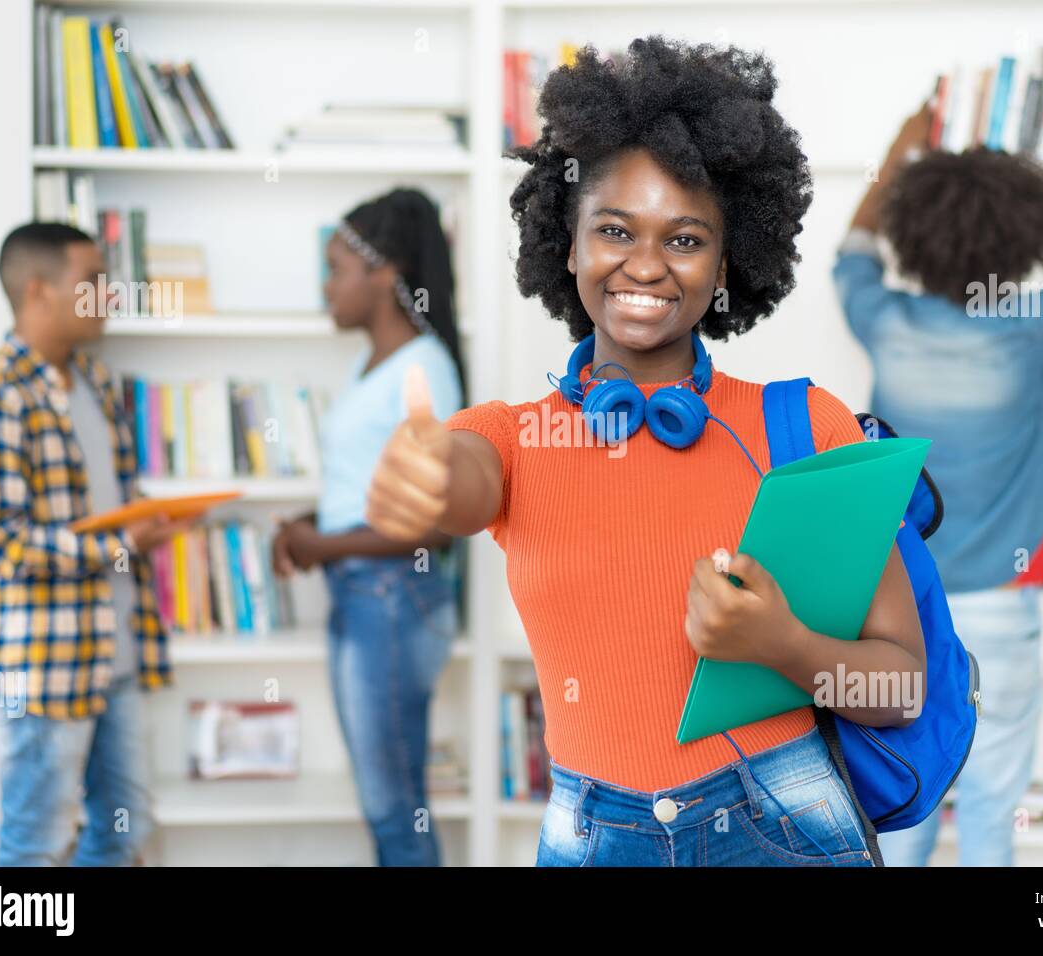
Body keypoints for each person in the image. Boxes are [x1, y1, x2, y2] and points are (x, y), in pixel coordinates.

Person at [364, 37, 927, 867]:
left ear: (727, 260)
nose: (645, 266)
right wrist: (425, 476)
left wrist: (784, 646)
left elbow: (899, 688)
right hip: (591, 836)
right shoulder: (515, 436)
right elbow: (462, 481)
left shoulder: (803, 426)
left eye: (686, 239)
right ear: (567, 241)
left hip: (783, 822)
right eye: (615, 230)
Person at [833, 98, 1043, 866]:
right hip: (999, 605)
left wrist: (897, 144)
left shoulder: (884, 322)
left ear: (914, 234)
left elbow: (851, 250)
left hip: (900, 613)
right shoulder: (1028, 329)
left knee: (908, 799)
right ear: (1018, 241)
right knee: (992, 811)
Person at [0, 222, 190, 865]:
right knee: (35, 846)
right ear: (39, 293)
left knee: (123, 834)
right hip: (42, 669)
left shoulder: (99, 387)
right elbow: (0, 545)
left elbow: (113, 516)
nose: (109, 296)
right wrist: (119, 546)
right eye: (92, 283)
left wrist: (147, 531)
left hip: (117, 657)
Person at [271, 188, 466, 866]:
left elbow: (440, 523)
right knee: (387, 805)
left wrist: (321, 543)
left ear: (385, 272)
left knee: (394, 810)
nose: (326, 287)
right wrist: (309, 525)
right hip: (367, 595)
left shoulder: (423, 371)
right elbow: (370, 489)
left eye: (336, 269)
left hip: (392, 598)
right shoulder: (374, 367)